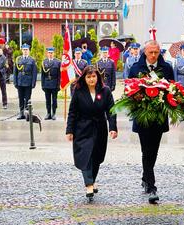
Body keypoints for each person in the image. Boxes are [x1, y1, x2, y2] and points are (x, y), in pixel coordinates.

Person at [128, 40, 174, 204]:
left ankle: (145, 177)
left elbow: (172, 89)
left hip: (159, 117)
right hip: (143, 117)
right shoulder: (135, 68)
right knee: (146, 150)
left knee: (153, 151)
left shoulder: (167, 68)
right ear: (144, 53)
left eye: (156, 52)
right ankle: (152, 186)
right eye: (150, 53)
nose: (154, 56)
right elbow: (129, 92)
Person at [66, 66, 117, 201]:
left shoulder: (105, 91)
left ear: (97, 77)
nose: (91, 79)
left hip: (99, 128)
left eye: (93, 76)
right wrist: (69, 130)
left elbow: (111, 110)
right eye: (88, 77)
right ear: (84, 78)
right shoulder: (78, 90)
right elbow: (72, 112)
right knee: (85, 156)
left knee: (96, 157)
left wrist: (113, 127)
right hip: (82, 128)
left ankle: (92, 180)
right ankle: (88, 184)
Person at [13, 43, 37, 120]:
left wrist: (33, 83)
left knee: (27, 98)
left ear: (29, 50)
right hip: (20, 81)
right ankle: (21, 113)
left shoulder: (32, 60)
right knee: (20, 98)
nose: (25, 51)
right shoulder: (18, 59)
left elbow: (34, 72)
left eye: (26, 50)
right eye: (24, 50)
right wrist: (15, 82)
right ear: (22, 50)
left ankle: (27, 113)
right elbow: (15, 72)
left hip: (28, 82)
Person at [41, 47, 61, 120]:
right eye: (49, 53)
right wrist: (42, 85)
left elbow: (59, 75)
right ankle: (48, 113)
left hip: (54, 83)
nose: (50, 54)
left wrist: (59, 85)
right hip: (46, 84)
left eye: (51, 53)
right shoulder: (44, 62)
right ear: (47, 53)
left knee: (54, 100)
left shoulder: (58, 62)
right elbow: (43, 75)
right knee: (47, 100)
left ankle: (54, 113)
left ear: (54, 53)